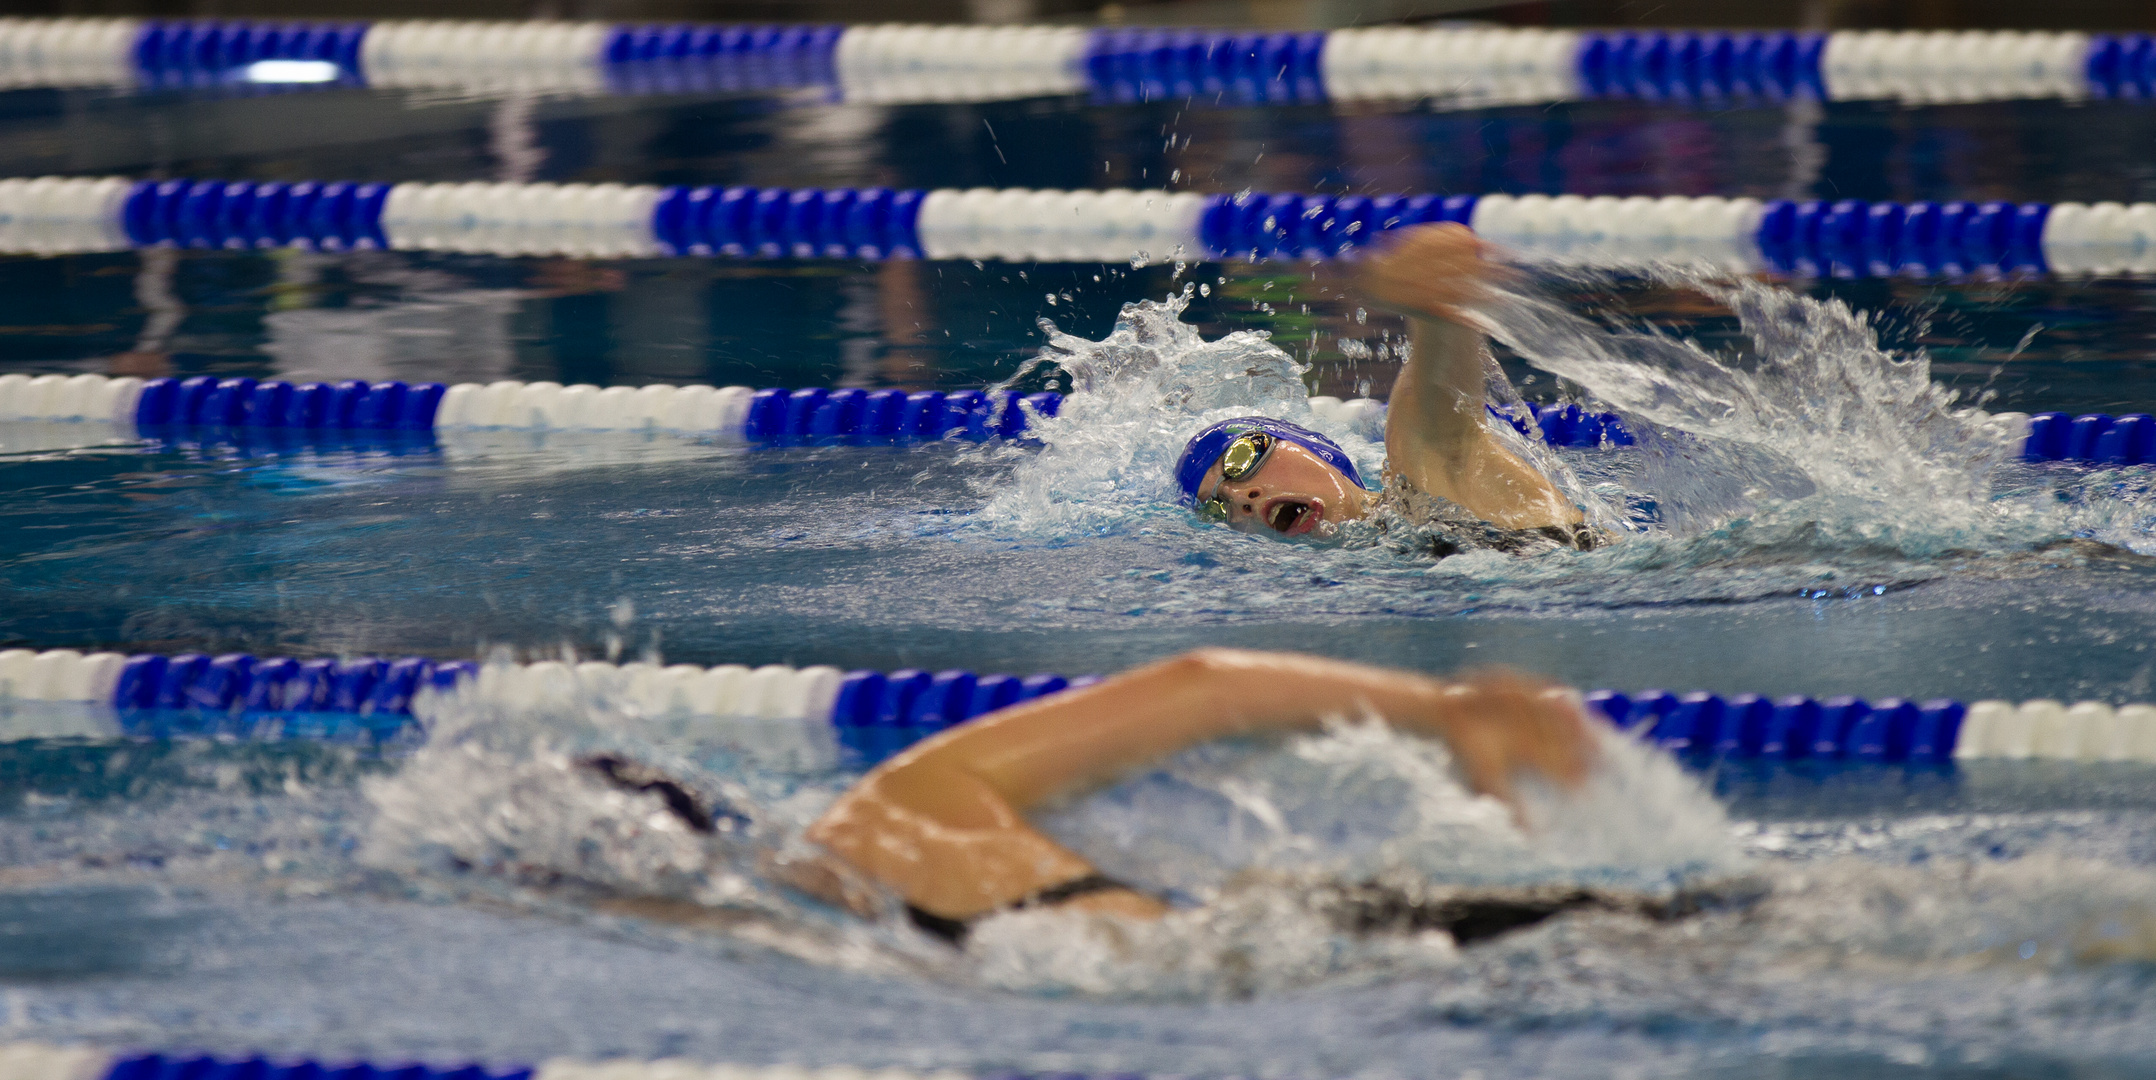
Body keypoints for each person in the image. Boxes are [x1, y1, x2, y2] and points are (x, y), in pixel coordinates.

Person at [779, 648, 1607, 944]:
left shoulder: (878, 843)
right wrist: (1439, 708)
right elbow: (1201, 683)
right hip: (1346, 931)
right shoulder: (901, 812)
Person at [1175, 223, 1602, 554]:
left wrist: (1432, 308)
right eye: (1218, 508)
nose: (1240, 497)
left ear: (1315, 448)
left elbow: (1446, 429)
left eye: (1242, 457)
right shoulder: (1362, 568)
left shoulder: (1421, 479)